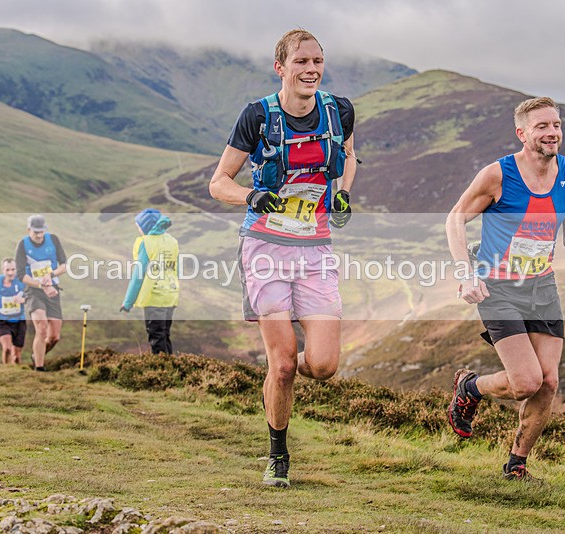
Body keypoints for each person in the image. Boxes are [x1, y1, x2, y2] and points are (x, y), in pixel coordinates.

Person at [209, 29, 357, 488]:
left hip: (314, 247)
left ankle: (281, 386)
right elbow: (219, 182)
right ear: (281, 67)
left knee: (324, 365)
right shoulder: (257, 117)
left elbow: (349, 155)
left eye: (317, 61)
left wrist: (342, 192)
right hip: (265, 248)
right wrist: (254, 196)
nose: (311, 69)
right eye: (301, 61)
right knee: (284, 363)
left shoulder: (339, 111)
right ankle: (278, 454)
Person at [445, 97, 565, 480]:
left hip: (542, 287)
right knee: (526, 382)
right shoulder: (498, 175)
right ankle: (471, 387)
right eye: (541, 126)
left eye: (556, 124)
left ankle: (516, 465)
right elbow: (455, 219)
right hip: (499, 287)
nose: (552, 132)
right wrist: (465, 272)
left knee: (549, 382)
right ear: (521, 133)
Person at [119, 208, 179, 355]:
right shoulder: (172, 241)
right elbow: (176, 269)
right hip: (171, 294)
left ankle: (161, 372)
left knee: (156, 336)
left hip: (155, 296)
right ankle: (171, 370)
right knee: (164, 334)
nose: (137, 228)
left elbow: (138, 276)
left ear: (146, 226)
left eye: (138, 225)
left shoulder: (146, 243)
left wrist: (128, 302)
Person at [15, 214, 67, 372]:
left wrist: (50, 276)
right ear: (28, 229)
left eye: (41, 232)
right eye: (35, 232)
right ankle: (39, 368)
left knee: (54, 337)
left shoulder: (54, 240)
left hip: (53, 290)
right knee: (41, 327)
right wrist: (40, 284)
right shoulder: (23, 245)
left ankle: (36, 356)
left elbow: (64, 266)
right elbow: (21, 275)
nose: (39, 235)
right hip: (33, 291)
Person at [0, 258, 26, 364]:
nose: (10, 273)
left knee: (16, 356)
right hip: (2, 320)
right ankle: (6, 369)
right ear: (2, 270)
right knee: (7, 348)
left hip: (19, 320)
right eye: (7, 270)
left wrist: (22, 299)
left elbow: (32, 296)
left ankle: (16, 374)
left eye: (13, 269)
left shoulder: (22, 281)